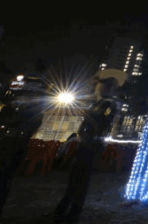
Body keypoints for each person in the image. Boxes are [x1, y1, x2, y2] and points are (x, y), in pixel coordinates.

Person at [53, 69, 126, 223]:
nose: (101, 88)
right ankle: (64, 206)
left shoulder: (109, 103)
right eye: (102, 86)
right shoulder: (98, 102)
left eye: (105, 86)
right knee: (74, 176)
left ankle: (74, 211)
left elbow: (105, 122)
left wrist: (91, 118)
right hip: (86, 141)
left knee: (81, 178)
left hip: (93, 143)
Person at [0, 74, 46, 224]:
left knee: (3, 182)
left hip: (13, 144)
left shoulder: (33, 108)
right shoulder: (3, 100)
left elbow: (32, 125)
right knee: (0, 180)